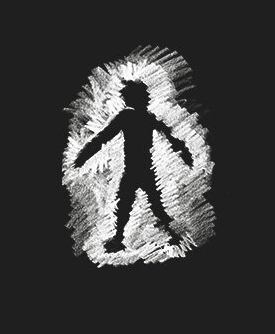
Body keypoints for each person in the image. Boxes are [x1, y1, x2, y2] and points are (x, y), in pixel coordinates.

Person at [73, 80, 193, 251]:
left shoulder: (127, 116)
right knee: (149, 204)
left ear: (129, 98)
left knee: (129, 203)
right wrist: (184, 153)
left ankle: (119, 239)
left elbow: (102, 138)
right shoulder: (148, 117)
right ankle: (172, 234)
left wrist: (82, 156)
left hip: (134, 169)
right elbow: (172, 137)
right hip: (144, 169)